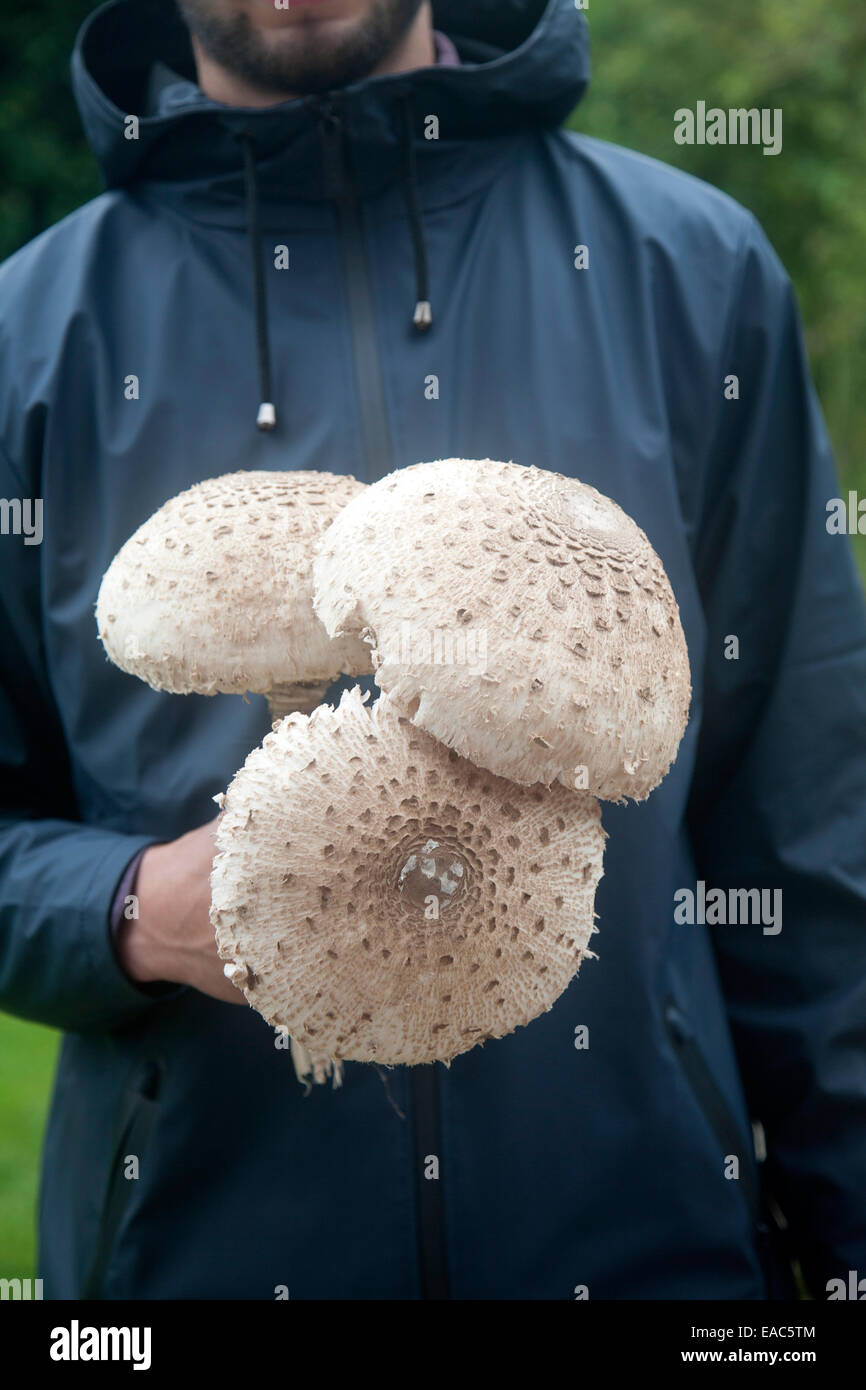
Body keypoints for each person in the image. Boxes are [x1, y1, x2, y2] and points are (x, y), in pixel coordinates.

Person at [0, 0, 864, 1301]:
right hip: (192, 1269)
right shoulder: (28, 335)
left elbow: (811, 832)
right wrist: (123, 912)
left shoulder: (687, 269)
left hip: (647, 1262)